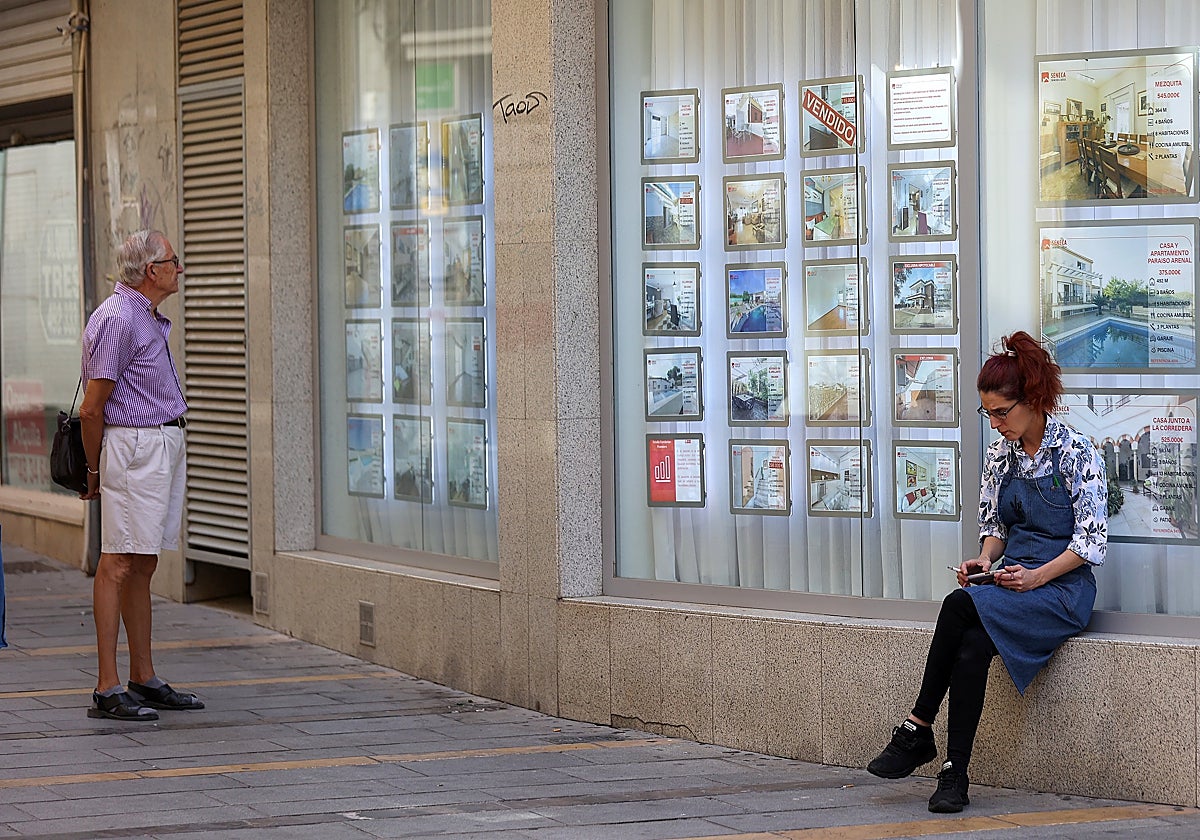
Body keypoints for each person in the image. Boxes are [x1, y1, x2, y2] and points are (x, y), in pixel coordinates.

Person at [867, 330, 1107, 813]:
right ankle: (954, 774)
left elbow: (1091, 542)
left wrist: (1036, 577)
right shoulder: (1000, 456)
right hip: (1014, 582)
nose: (995, 424)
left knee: (958, 604)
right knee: (972, 647)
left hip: (1062, 590)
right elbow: (994, 527)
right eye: (988, 413)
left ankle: (917, 726)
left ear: (1033, 400)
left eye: (1001, 412)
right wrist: (985, 559)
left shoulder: (1078, 452)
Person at [79, 229, 204, 721]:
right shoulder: (118, 318)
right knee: (118, 561)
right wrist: (93, 470)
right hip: (134, 447)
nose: (180, 268)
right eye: (174, 260)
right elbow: (93, 408)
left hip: (158, 443)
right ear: (152, 271)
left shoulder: (143, 314)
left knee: (144, 561)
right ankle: (107, 687)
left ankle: (142, 676)